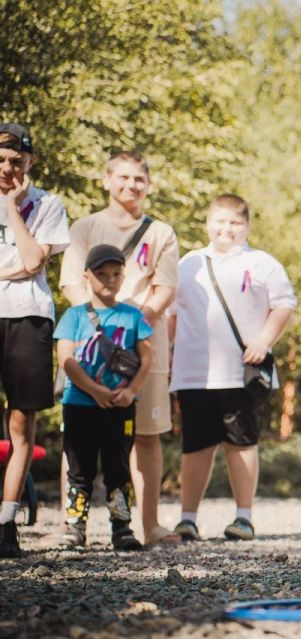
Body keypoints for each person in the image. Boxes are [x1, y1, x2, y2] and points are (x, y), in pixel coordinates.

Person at [59, 152, 181, 546]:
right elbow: (70, 283)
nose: (131, 185)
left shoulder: (161, 232)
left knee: (145, 434)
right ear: (106, 179)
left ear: (148, 184)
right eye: (123, 178)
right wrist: (100, 325)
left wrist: (129, 327)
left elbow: (164, 290)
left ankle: (148, 525)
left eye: (139, 179)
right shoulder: (85, 227)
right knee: (77, 438)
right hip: (87, 348)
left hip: (143, 347)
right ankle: (72, 528)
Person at [170, 194, 296, 541]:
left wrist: (264, 341)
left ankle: (243, 517)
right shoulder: (188, 264)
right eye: (220, 221)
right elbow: (172, 314)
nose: (227, 229)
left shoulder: (262, 263)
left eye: (235, 223)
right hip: (194, 369)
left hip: (241, 368)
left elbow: (284, 305)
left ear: (247, 226)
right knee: (195, 445)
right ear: (208, 223)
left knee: (241, 442)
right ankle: (187, 518)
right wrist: (165, 357)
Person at [0, 123, 71, 557]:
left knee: (22, 421)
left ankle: (6, 522)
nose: (8, 168)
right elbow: (25, 264)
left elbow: (31, 260)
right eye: (1, 161)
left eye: (17, 162)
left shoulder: (48, 204)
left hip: (28, 317)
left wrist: (11, 208)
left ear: (30, 164)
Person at [55, 244, 154, 550]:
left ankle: (121, 528)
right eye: (101, 274)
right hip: (80, 405)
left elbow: (147, 357)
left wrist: (131, 391)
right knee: (79, 468)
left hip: (120, 406)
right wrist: (94, 389)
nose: (109, 280)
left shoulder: (133, 316)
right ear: (87, 276)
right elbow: (66, 359)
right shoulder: (74, 316)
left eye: (116, 273)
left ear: (124, 275)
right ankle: (75, 525)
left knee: (118, 467)